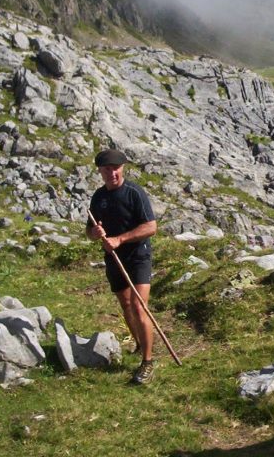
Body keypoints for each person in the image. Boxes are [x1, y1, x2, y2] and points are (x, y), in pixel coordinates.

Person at [86, 149, 158, 385]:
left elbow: (150, 227)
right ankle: (139, 342)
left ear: (123, 168)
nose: (113, 173)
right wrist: (95, 234)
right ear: (100, 171)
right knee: (125, 304)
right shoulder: (98, 198)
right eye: (107, 169)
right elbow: (89, 232)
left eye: (117, 168)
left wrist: (120, 239)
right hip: (114, 259)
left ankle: (148, 362)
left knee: (139, 306)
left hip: (138, 255)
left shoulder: (135, 193)